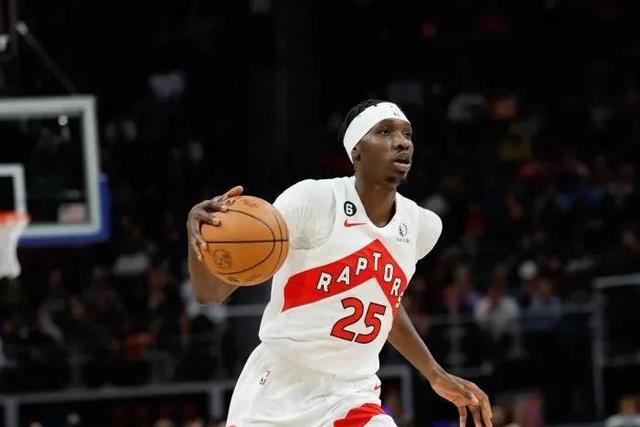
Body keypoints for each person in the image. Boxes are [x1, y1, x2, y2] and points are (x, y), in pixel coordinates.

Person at [187, 100, 493, 426]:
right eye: (385, 132)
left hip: (352, 394)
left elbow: (385, 302)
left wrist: (434, 372)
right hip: (279, 389)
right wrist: (200, 237)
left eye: (407, 134)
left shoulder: (423, 227)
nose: (402, 142)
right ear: (356, 152)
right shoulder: (313, 201)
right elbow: (210, 293)